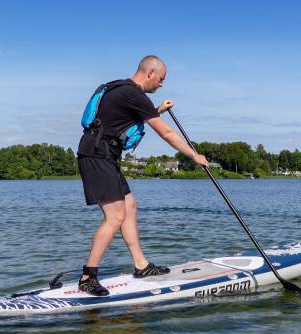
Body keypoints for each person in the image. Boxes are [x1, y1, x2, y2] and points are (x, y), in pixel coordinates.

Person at [76, 55, 209, 296]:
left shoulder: (122, 89)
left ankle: (141, 265)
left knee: (130, 205)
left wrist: (157, 110)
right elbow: (166, 133)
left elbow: (121, 119)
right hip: (97, 156)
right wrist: (194, 156)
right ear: (150, 73)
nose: (161, 85)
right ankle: (88, 276)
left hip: (103, 155)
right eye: (161, 79)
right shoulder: (134, 94)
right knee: (115, 217)